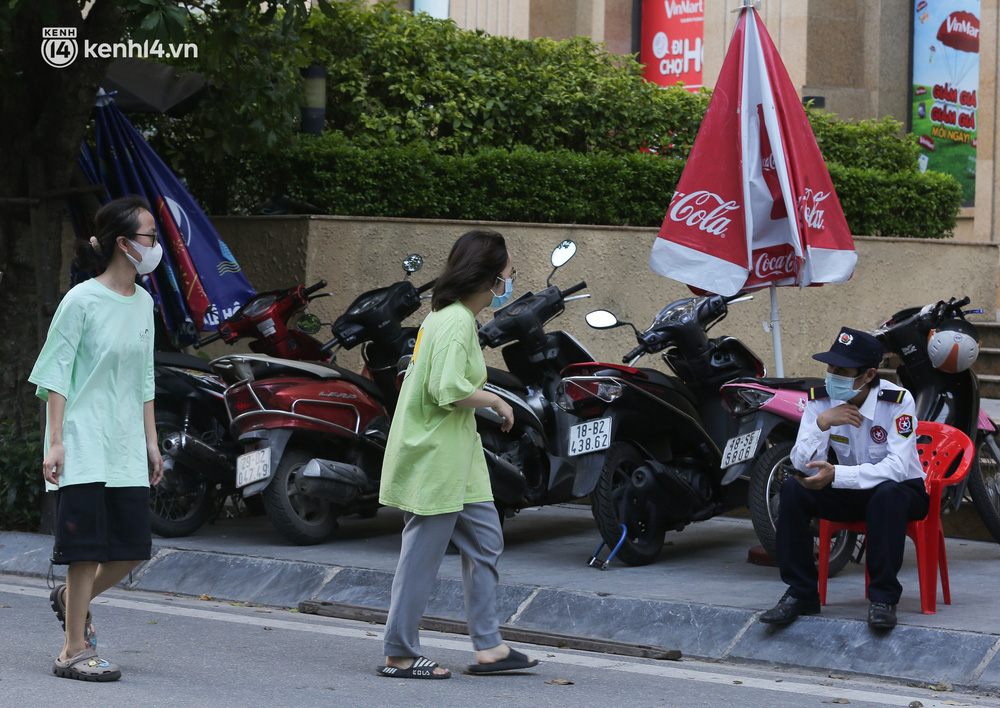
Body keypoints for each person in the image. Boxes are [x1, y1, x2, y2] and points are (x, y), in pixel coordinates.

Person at [377, 229, 539, 679]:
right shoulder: (453, 322)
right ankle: (400, 653)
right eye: (508, 271)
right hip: (436, 456)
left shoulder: (452, 319)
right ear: (488, 276)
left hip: (457, 457)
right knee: (420, 558)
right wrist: (496, 401)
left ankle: (489, 648)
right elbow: (446, 389)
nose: (510, 279)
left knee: (486, 541)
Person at [29, 195, 164, 681]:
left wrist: (151, 442)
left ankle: (71, 599)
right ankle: (72, 650)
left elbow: (144, 378)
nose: (156, 246)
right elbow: (56, 375)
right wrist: (57, 441)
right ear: (124, 244)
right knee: (84, 547)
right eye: (149, 237)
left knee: (131, 548)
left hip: (125, 443)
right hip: (83, 439)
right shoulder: (81, 300)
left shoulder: (144, 302)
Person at [759, 327, 928, 630]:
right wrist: (821, 424)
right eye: (830, 367)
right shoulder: (821, 401)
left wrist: (838, 474)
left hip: (902, 492)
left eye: (841, 370)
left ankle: (883, 599)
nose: (831, 375)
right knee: (793, 490)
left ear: (868, 375)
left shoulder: (897, 401)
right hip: (850, 488)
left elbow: (898, 468)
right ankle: (801, 593)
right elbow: (801, 463)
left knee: (887, 495)